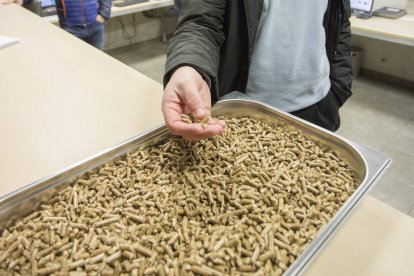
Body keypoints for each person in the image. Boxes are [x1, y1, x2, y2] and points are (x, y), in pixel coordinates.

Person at [162, 0, 353, 141]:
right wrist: (189, 66)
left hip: (318, 109)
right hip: (240, 114)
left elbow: (340, 17)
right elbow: (200, 21)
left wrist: (338, 88)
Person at [2, 0, 111, 50]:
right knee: (75, 65)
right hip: (71, 29)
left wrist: (103, 15)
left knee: (98, 60)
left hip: (95, 26)